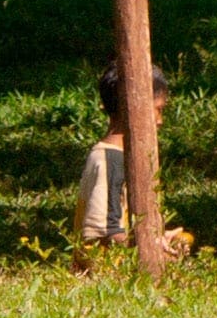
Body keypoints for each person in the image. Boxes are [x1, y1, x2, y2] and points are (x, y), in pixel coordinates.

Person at [77, 69, 193, 263]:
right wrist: (152, 250)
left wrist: (161, 241)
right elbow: (105, 231)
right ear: (134, 106)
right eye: (159, 109)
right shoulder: (110, 160)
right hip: (109, 283)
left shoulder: (119, 157)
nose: (160, 120)